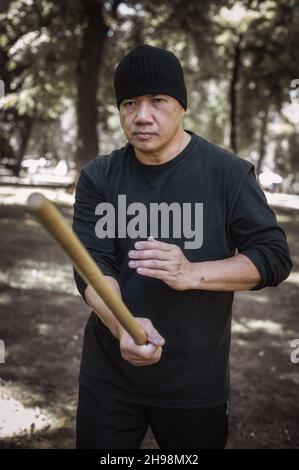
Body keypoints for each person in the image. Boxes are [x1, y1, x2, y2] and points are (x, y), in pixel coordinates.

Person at [72, 44, 292, 449]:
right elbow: (91, 266)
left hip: (195, 380)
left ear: (182, 106)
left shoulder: (228, 174)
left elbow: (274, 257)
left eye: (158, 101)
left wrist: (192, 273)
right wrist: (124, 326)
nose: (142, 115)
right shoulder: (99, 177)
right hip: (111, 373)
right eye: (129, 103)